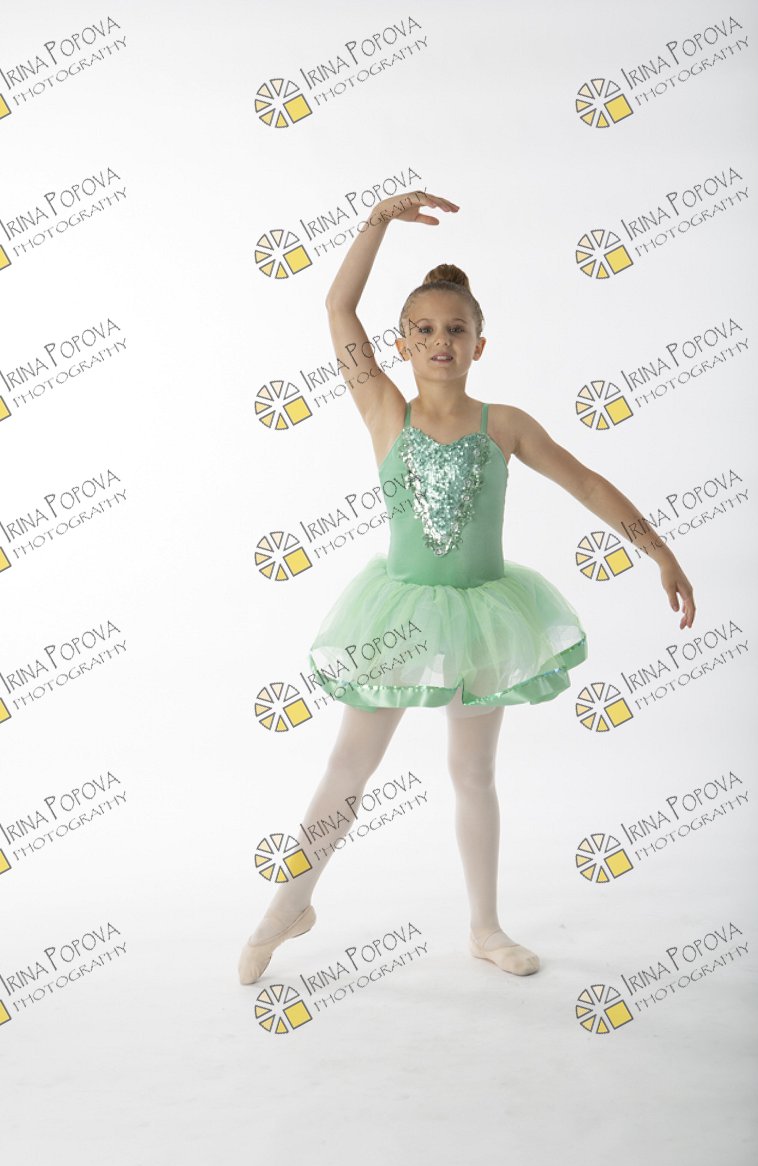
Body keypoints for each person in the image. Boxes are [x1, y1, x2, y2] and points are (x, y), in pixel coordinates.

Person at [238, 190, 695, 983]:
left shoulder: (503, 423)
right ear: (401, 343)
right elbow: (337, 306)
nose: (440, 341)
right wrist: (378, 220)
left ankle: (485, 927)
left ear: (480, 342)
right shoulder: (384, 410)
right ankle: (289, 904)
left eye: (455, 329)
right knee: (348, 766)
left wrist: (657, 549)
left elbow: (586, 482)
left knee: (473, 772)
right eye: (423, 330)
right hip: (398, 613)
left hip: (486, 616)